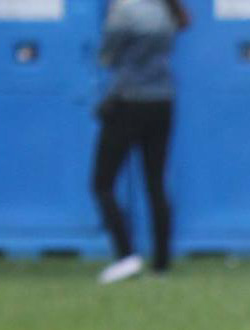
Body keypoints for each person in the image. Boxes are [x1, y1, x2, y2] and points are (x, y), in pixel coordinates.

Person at [92, 0, 189, 285]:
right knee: (156, 182)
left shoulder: (124, 10)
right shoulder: (166, 10)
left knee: (102, 183)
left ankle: (126, 255)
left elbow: (107, 56)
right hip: (163, 101)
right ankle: (162, 262)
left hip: (128, 101)